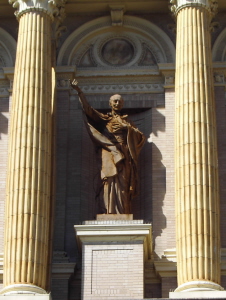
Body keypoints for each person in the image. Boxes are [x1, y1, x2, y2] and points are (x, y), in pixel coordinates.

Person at [70, 79, 146, 214]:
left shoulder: (127, 121)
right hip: (108, 152)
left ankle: (122, 211)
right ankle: (107, 210)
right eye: (115, 101)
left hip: (124, 153)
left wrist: (126, 128)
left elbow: (140, 137)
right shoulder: (106, 119)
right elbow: (89, 111)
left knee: (123, 182)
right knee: (108, 179)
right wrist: (79, 92)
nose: (117, 103)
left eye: (120, 101)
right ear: (110, 103)